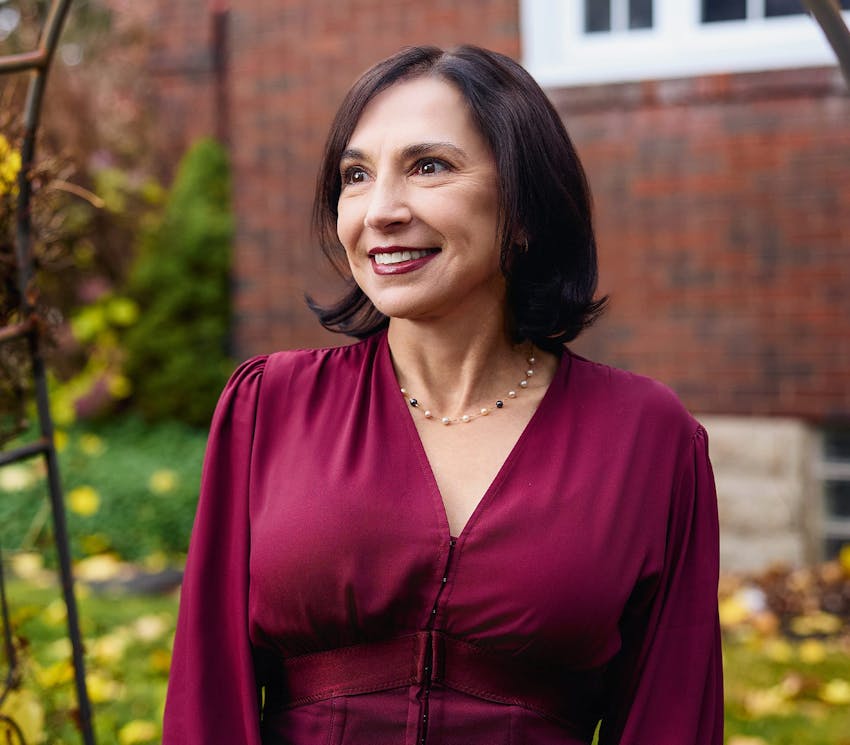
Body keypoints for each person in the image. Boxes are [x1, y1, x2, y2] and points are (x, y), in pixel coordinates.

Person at [162, 45, 723, 745]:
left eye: (429, 166)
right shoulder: (268, 405)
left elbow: (672, 716)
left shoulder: (650, 438)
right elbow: (208, 701)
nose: (382, 211)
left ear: (523, 207)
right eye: (356, 176)